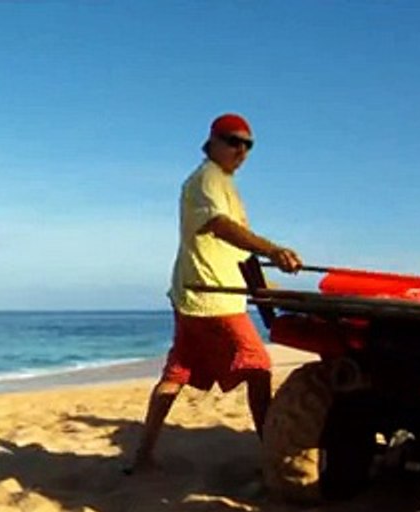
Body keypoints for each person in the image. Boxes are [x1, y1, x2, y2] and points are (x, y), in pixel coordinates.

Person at [128, 113, 303, 474]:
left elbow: (237, 251)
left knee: (177, 372)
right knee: (258, 366)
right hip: (210, 296)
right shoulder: (206, 178)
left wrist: (272, 289)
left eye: (248, 145)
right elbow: (221, 227)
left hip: (194, 294)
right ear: (213, 142)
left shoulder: (224, 184)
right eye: (233, 141)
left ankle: (143, 455)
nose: (242, 150)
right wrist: (274, 250)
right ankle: (271, 456)